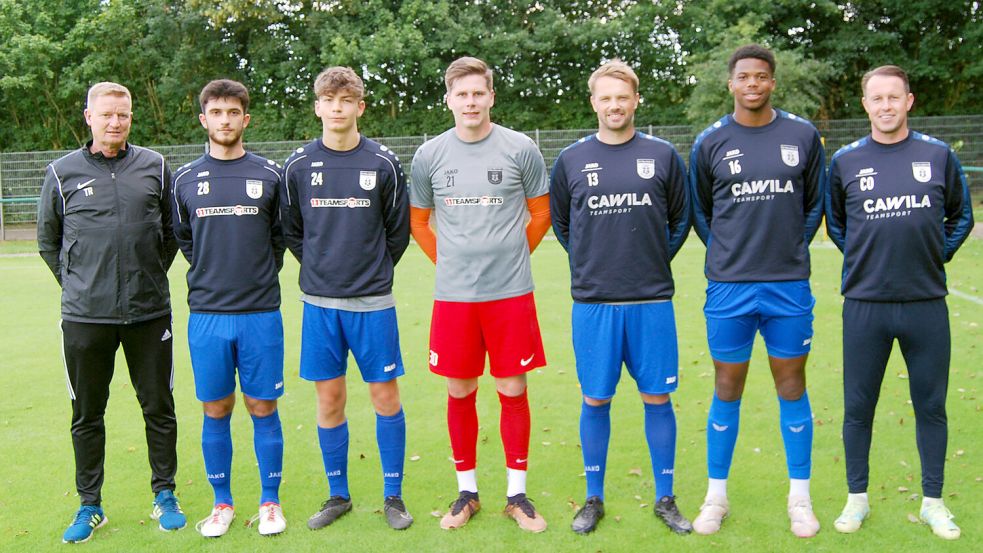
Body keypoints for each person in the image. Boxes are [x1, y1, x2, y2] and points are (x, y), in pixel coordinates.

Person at [825, 65, 974, 541]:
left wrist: (936, 254)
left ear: (908, 101)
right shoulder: (846, 161)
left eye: (894, 97)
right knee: (858, 407)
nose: (886, 106)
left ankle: (933, 502)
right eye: (877, 98)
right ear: (865, 104)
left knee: (931, 405)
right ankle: (857, 499)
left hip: (926, 302)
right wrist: (869, 261)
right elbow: (837, 224)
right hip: (865, 304)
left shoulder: (938, 154)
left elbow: (962, 216)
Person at [37, 81, 185, 543]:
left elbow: (170, 234)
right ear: (89, 117)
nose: (115, 122)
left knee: (159, 408)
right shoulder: (61, 173)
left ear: (130, 117)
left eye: (123, 114)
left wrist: (144, 278)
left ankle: (165, 495)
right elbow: (49, 242)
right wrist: (83, 285)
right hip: (86, 318)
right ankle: (90, 504)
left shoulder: (156, 167)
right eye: (107, 114)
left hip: (148, 313)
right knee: (87, 414)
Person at [409, 56, 552, 533]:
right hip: (454, 298)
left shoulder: (520, 149)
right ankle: (467, 492)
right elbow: (418, 223)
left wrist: (511, 256)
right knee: (459, 388)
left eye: (478, 93)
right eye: (461, 94)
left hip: (510, 294)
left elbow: (540, 215)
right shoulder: (430, 154)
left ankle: (517, 495)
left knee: (513, 387)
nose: (470, 101)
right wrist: (452, 262)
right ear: (448, 99)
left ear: (491, 96)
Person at [688, 44, 826, 537]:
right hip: (729, 287)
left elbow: (816, 204)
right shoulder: (710, 141)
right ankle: (715, 497)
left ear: (772, 82)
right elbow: (701, 212)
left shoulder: (803, 135)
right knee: (727, 386)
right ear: (731, 84)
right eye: (744, 76)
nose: (752, 84)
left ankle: (800, 499)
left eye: (761, 76)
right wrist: (728, 254)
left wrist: (789, 248)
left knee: (792, 385)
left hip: (788, 285)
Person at [550, 60, 692, 535]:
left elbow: (679, 221)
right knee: (595, 399)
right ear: (594, 102)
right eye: (605, 97)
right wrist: (595, 263)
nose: (614, 105)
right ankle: (593, 498)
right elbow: (564, 227)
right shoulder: (571, 159)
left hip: (651, 299)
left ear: (635, 101)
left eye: (622, 97)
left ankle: (665, 497)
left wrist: (649, 261)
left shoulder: (663, 154)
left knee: (657, 396)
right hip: (594, 301)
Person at [282, 66, 412, 531]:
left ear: (360, 107)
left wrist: (369, 271)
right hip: (320, 304)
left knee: (384, 396)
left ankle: (393, 495)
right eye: (328, 100)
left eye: (346, 100)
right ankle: (338, 494)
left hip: (373, 303)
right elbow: (292, 232)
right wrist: (321, 268)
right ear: (318, 107)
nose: (337, 108)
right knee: (330, 400)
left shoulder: (384, 163)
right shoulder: (297, 166)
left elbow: (397, 232)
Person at [172, 79, 287, 537]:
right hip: (207, 314)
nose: (225, 120)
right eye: (216, 112)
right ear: (204, 119)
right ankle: (222, 504)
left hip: (260, 312)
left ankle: (270, 502)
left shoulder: (270, 175)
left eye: (233, 112)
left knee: (262, 405)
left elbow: (279, 241)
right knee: (216, 407)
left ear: (245, 119)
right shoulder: (183, 180)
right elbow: (185, 241)